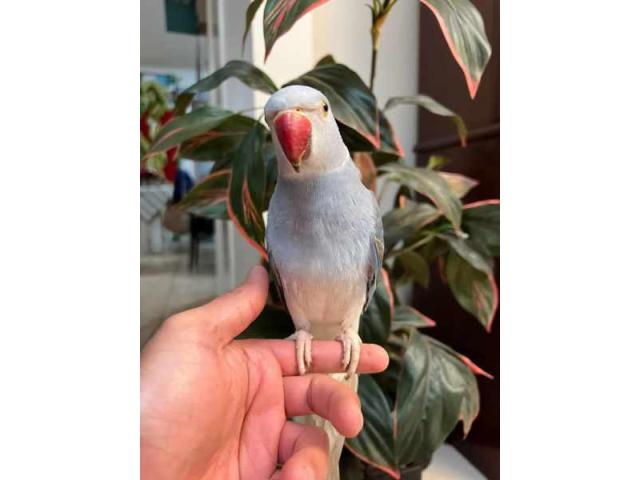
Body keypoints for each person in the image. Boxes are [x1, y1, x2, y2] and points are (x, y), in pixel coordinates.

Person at [141, 265, 389, 480]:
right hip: (303, 330)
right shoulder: (280, 221)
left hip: (346, 326)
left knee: (329, 433)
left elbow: (365, 287)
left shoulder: (366, 219)